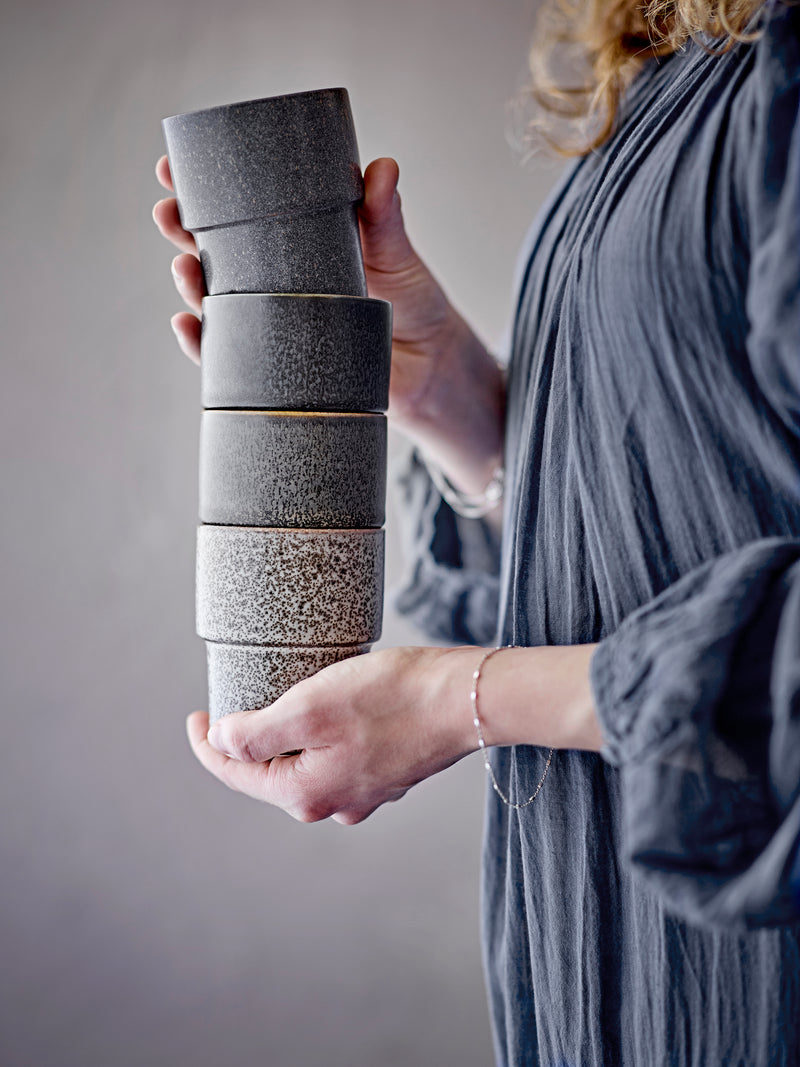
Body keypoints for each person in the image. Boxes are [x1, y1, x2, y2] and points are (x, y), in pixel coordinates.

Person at [153, 0, 800, 1061]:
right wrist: (440, 382)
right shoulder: (678, 59)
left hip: (751, 953)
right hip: (600, 942)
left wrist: (456, 700)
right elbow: (667, 524)